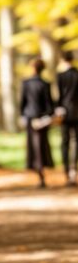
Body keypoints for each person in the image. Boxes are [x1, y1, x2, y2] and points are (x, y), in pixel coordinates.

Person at [20, 58, 54, 188]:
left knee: (35, 147)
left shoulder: (26, 83)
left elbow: (22, 103)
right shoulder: (45, 84)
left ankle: (40, 174)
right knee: (40, 146)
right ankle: (40, 174)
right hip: (41, 119)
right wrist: (46, 117)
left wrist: (23, 115)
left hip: (30, 118)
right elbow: (49, 105)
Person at [57, 51, 78, 186]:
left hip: (64, 113)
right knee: (76, 142)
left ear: (63, 60)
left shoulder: (61, 76)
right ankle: (73, 171)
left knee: (64, 142)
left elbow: (59, 96)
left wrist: (58, 109)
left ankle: (66, 171)